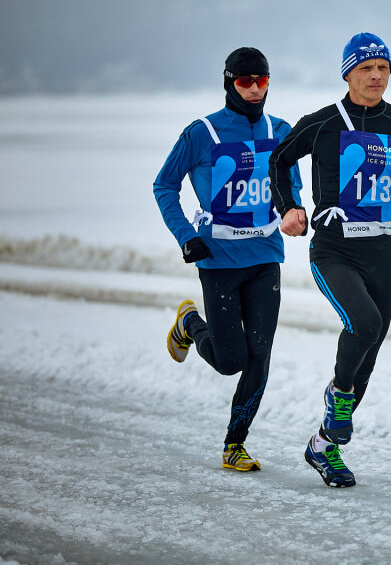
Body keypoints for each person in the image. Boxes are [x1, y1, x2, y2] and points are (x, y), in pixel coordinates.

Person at [268, 33, 391, 488]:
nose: (376, 76)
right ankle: (337, 402)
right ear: (348, 74)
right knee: (363, 323)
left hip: (384, 251)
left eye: (383, 68)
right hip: (334, 250)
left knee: (371, 343)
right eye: (366, 69)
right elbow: (279, 159)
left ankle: (324, 445)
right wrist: (288, 206)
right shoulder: (324, 124)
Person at [153, 47, 303, 472]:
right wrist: (185, 237)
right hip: (217, 261)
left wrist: (294, 211)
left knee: (260, 357)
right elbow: (164, 186)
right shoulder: (200, 133)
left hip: (265, 258)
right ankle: (189, 324)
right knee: (230, 361)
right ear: (228, 82)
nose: (255, 90)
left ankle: (234, 444)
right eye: (245, 82)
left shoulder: (282, 130)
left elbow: (291, 184)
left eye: (263, 81)